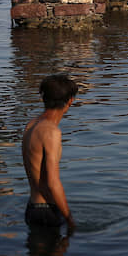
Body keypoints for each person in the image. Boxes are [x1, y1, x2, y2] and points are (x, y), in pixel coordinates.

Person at [22, 74, 78, 233]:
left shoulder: (31, 125)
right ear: (70, 101)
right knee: (56, 253)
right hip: (46, 211)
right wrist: (70, 219)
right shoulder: (51, 132)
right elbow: (53, 183)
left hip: (32, 207)